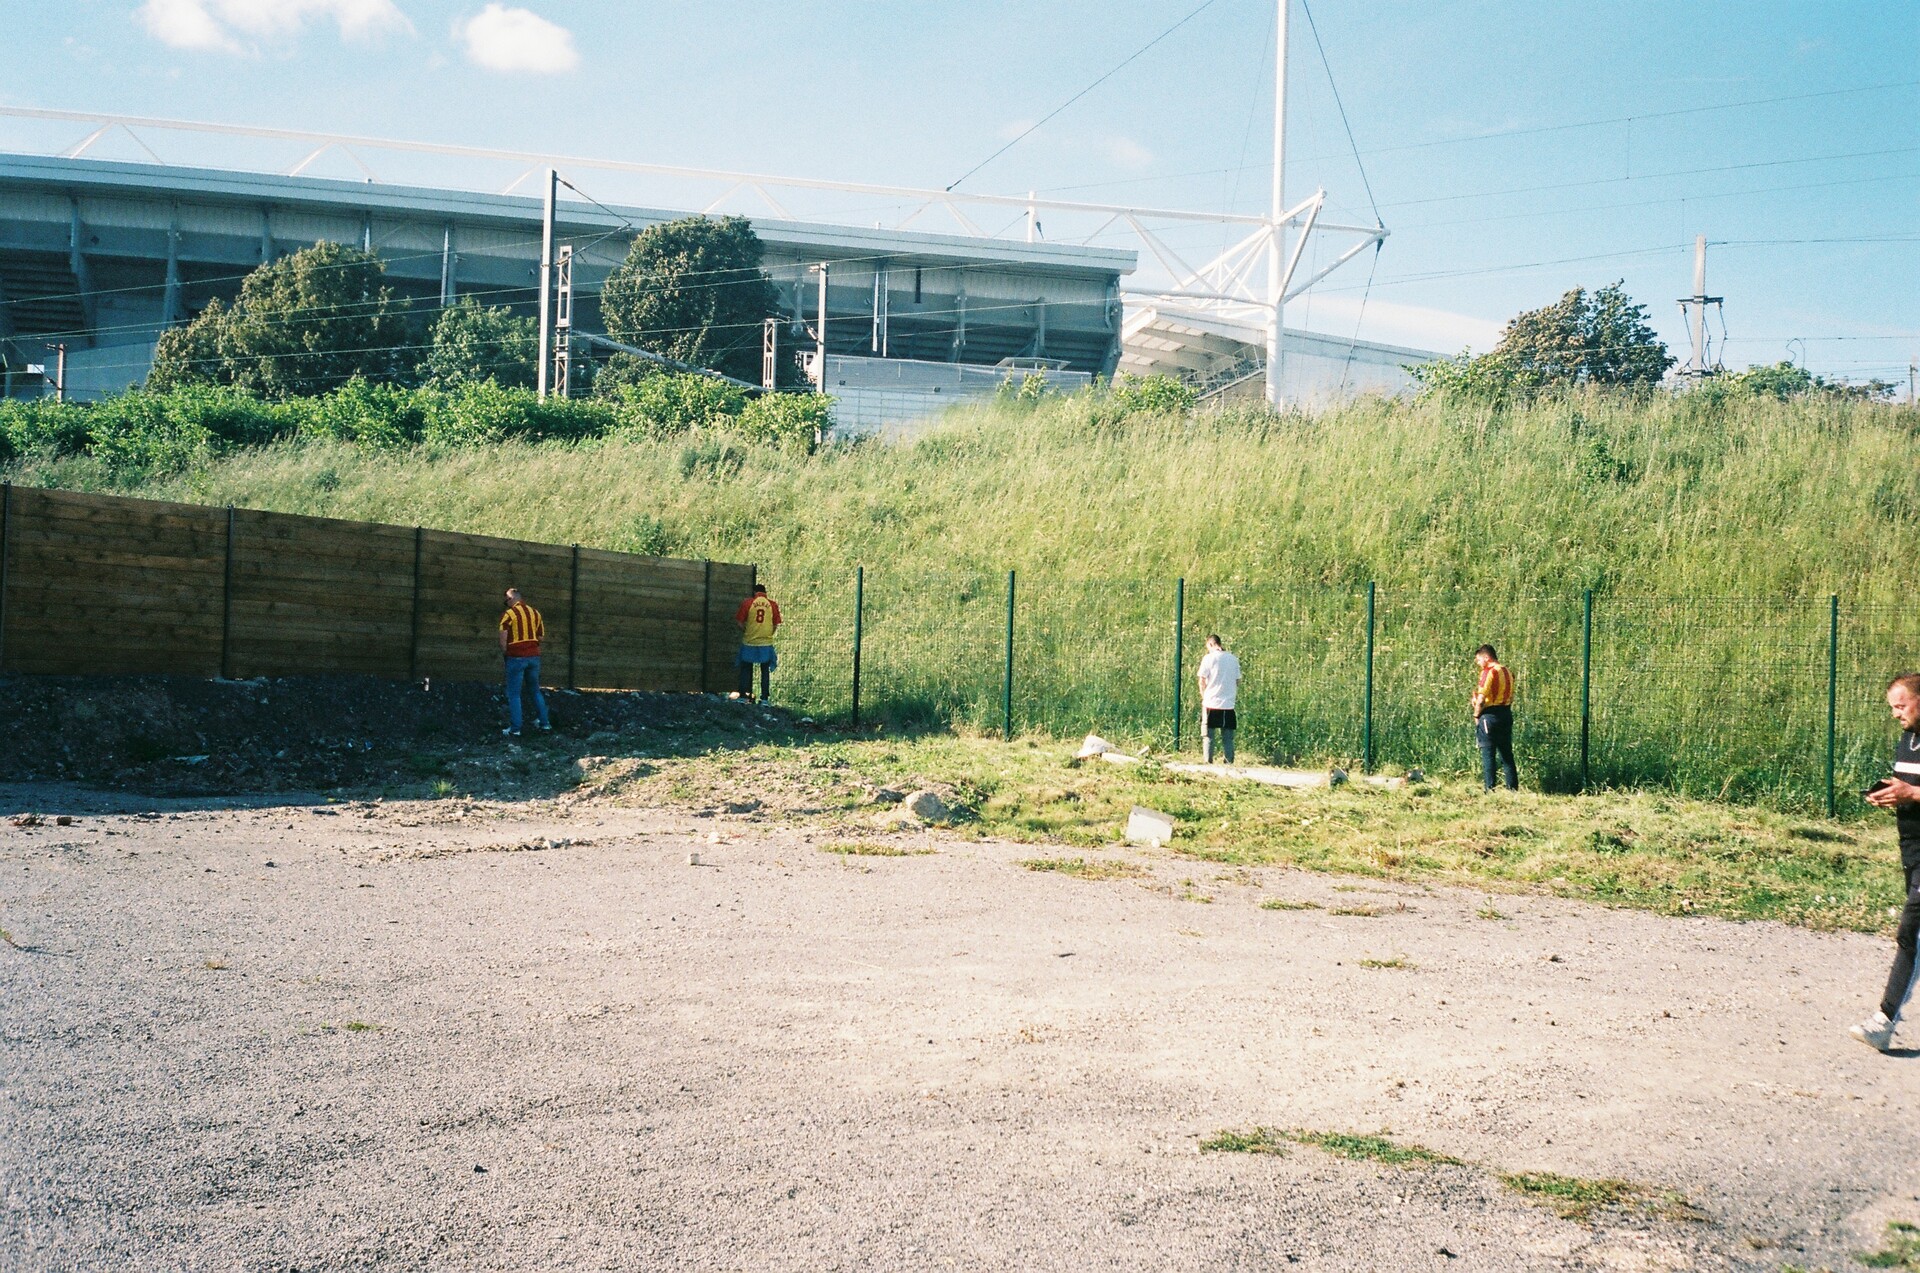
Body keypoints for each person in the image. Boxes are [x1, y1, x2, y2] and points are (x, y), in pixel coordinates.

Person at [1851, 672, 1920, 1051]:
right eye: (1892, 707)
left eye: (1901, 704)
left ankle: (1884, 1019)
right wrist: (1889, 793)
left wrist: (1912, 792)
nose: (1895, 713)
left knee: (1911, 932)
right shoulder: (1908, 741)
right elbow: (1908, 788)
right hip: (1911, 849)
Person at [496, 587, 550, 738]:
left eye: (506, 600)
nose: (506, 603)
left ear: (511, 599)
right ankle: (545, 724)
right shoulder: (535, 613)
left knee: (514, 694)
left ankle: (516, 729)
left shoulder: (508, 615)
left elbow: (503, 640)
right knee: (535, 690)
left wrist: (507, 653)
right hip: (534, 657)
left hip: (516, 657)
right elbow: (541, 637)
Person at [1472, 644, 1518, 791]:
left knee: (1488, 752)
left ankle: (1489, 789)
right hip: (1506, 713)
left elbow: (1481, 698)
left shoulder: (1489, 672)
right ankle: (1512, 788)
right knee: (1506, 753)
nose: (1478, 663)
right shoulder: (1507, 671)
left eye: (1478, 660)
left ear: (1487, 657)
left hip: (1490, 716)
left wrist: (1476, 715)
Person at [1197, 634, 1241, 764]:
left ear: (1211, 644)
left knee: (1208, 736)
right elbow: (1238, 680)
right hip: (1228, 704)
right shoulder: (1233, 659)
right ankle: (1229, 762)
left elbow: (1202, 680)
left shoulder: (1208, 659)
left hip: (1211, 702)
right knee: (1228, 737)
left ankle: (1208, 761)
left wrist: (1203, 696)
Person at [735, 584, 782, 703]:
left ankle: (742, 696)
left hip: (749, 641)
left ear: (754, 592)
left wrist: (747, 631)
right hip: (765, 643)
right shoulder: (772, 605)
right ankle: (765, 698)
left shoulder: (748, 603)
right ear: (765, 592)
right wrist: (768, 634)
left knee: (745, 668)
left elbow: (739, 622)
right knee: (765, 670)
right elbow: (775, 624)